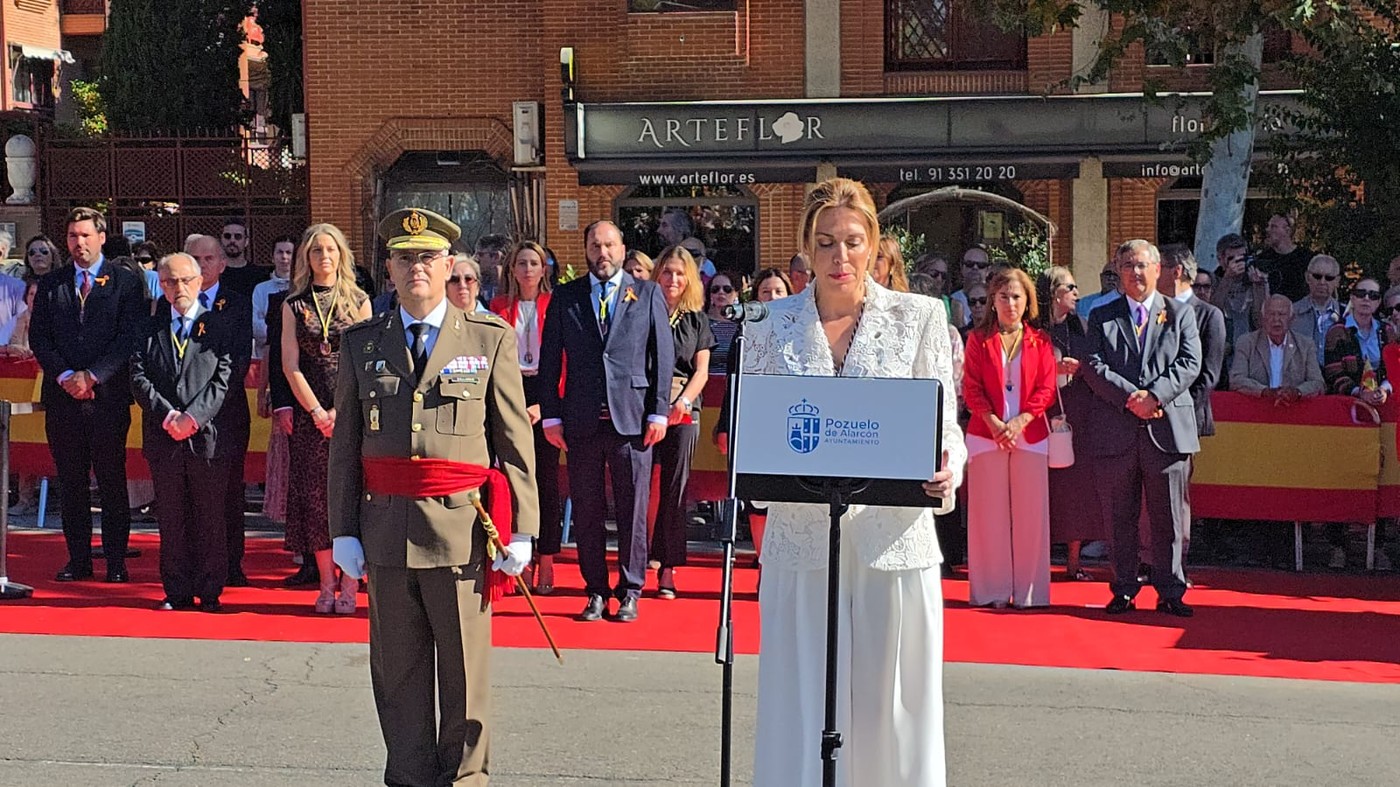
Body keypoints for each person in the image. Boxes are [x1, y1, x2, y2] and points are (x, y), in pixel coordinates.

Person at [745, 179, 963, 787]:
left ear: (873, 244)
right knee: (800, 704)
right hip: (802, 542)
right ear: (805, 248)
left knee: (891, 710)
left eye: (852, 241)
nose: (839, 257)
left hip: (893, 540)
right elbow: (756, 430)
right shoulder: (767, 322)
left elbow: (945, 426)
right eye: (825, 243)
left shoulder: (919, 317)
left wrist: (949, 465)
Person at [328, 207, 538, 787]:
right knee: (398, 674)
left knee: (465, 674)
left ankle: (465, 778)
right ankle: (409, 776)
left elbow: (513, 440)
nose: (415, 267)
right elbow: (346, 447)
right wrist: (343, 529)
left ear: (449, 266)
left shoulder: (488, 338)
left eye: (427, 257)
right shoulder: (362, 343)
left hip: (461, 531)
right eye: (404, 258)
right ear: (388, 269)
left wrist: (522, 527)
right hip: (386, 530)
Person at [538, 219, 674, 623]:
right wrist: (551, 416)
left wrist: (659, 411)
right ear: (585, 250)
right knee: (587, 509)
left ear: (622, 249)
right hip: (581, 420)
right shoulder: (567, 296)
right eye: (595, 246)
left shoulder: (646, 293)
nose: (603, 253)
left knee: (633, 510)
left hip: (632, 420)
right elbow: (550, 360)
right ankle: (595, 590)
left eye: (610, 245)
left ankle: (630, 590)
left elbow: (662, 356)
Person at [1084, 239, 1201, 617]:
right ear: (1118, 272)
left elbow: (1190, 363)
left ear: (1157, 270)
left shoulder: (1180, 313)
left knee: (1169, 516)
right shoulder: (1102, 316)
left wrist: (1154, 396)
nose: (1135, 272)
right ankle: (1123, 588)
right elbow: (1093, 365)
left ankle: (1171, 590)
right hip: (1116, 430)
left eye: (1141, 265)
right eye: (1127, 265)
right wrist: (1130, 398)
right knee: (1120, 517)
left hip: (1166, 430)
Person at [30, 207, 147, 583]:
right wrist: (66, 375)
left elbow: (130, 336)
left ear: (100, 238)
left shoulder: (125, 282)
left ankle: (115, 561)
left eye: (85, 236)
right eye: (72, 236)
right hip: (63, 397)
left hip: (107, 397)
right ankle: (78, 560)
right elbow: (39, 337)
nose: (78, 243)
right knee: (71, 482)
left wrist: (94, 376)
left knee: (112, 480)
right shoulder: (53, 283)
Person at [131, 252, 237, 612]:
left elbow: (224, 378)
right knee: (171, 517)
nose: (179, 288)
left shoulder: (218, 326)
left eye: (186, 280)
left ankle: (209, 591)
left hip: (205, 437)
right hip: (163, 436)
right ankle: (176, 591)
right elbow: (138, 378)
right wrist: (169, 415)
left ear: (199, 281)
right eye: (170, 281)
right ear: (161, 286)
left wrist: (193, 417)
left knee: (210, 516)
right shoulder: (148, 328)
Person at [282, 223, 372, 611]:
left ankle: (350, 585)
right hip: (311, 415)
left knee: (353, 495)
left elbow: (367, 362)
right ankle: (325, 584)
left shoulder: (359, 301)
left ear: (341, 255)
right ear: (307, 257)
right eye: (316, 250)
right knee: (316, 498)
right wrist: (318, 411)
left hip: (352, 412)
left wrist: (341, 410)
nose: (324, 256)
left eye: (331, 249)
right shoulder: (294, 305)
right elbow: (290, 364)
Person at [963, 267, 1056, 608]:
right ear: (993, 300)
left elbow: (1046, 388)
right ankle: (991, 591)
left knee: (1032, 517)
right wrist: (993, 423)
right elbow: (971, 388)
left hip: (1030, 436)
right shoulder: (977, 339)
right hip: (986, 436)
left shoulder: (1040, 340)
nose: (1010, 304)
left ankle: (1031, 593)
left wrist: (1020, 421)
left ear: (1027, 301)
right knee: (988, 516)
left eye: (1017, 297)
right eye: (1004, 297)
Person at [490, 241, 562, 595]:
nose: (528, 269)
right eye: (522, 263)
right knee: (513, 480)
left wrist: (547, 407)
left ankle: (546, 558)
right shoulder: (499, 306)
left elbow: (565, 359)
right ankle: (521, 557)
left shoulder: (555, 304)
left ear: (544, 269)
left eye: (534, 263)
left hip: (546, 392)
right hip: (511, 390)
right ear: (512, 269)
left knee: (545, 481)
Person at [184, 234, 255, 587]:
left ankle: (231, 564)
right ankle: (192, 564)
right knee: (187, 494)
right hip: (182, 416)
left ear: (222, 264)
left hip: (226, 413)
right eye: (194, 259)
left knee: (228, 493)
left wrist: (204, 407)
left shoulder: (237, 304)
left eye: (208, 259)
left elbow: (238, 360)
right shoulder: (169, 304)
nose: (201, 265)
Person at [650, 246, 714, 600]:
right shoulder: (642, 312)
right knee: (640, 488)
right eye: (667, 271)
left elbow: (701, 371)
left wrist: (684, 401)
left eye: (679, 273)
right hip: (646, 410)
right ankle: (637, 562)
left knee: (674, 490)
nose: (673, 279)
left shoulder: (697, 321)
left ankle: (668, 568)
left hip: (684, 411)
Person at [1035, 266, 1106, 581]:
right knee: (1041, 488)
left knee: (1076, 489)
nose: (1077, 293)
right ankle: (1035, 559)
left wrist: (1079, 369)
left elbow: (1097, 366)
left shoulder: (1083, 327)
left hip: (1076, 416)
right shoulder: (1031, 330)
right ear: (1053, 293)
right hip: (1039, 415)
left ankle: (1074, 563)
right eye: (1070, 287)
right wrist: (1052, 369)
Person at [1158, 244, 1227, 563]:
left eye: (1158, 267)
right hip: (1147, 416)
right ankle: (1149, 557)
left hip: (1184, 419)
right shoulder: (1154, 309)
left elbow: (1208, 375)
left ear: (1175, 271)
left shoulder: (1209, 315)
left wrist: (1174, 411)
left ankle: (1177, 563)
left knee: (1177, 492)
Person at [1322, 277, 1391, 570]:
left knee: (1383, 479)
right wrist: (1356, 392)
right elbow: (1332, 372)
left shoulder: (1387, 331)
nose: (1366, 300)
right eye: (1360, 293)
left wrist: (1385, 388)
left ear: (1379, 301)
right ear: (1351, 297)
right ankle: (1337, 545)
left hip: (1384, 415)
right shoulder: (1337, 332)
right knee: (1342, 477)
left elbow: (1394, 368)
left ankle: (1380, 547)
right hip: (1346, 415)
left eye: (1373, 295)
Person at [253, 236, 295, 529]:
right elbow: (271, 348)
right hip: (286, 397)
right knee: (285, 466)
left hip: (325, 400)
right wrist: (263, 392)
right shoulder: (277, 299)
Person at [1230, 294, 1324, 399]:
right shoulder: (1246, 343)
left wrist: (1297, 392)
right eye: (1271, 314)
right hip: (1257, 405)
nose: (1276, 319)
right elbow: (1236, 379)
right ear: (1262, 318)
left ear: (1292, 319)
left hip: (1293, 406)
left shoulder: (1306, 345)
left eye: (1281, 314)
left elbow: (1318, 383)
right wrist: (1264, 392)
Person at [1291, 254, 1342, 366]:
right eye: (1317, 276)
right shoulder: (1291, 313)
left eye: (1329, 278)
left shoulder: (1347, 314)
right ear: (1307, 277)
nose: (1322, 282)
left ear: (1337, 281)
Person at [1256, 212, 1312, 303]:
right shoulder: (1262, 259)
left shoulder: (1306, 258)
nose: (1268, 230)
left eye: (1273, 226)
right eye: (1268, 226)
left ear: (1287, 231)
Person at [217, 218, 269, 298]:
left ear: (246, 241)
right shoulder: (213, 273)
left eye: (238, 236)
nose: (232, 240)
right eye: (227, 236)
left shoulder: (259, 275)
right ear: (221, 239)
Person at [705, 271, 740, 372]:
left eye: (727, 289)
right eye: (715, 289)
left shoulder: (743, 325)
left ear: (736, 294)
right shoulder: (701, 324)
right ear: (710, 295)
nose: (721, 292)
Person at [950, 245, 992, 327]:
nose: (975, 268)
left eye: (981, 265)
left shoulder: (997, 300)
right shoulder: (951, 301)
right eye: (970, 264)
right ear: (962, 267)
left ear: (988, 270)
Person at [474, 233, 510, 304]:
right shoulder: (475, 284)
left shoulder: (514, 287)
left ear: (496, 257)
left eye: (480, 254)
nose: (476, 258)